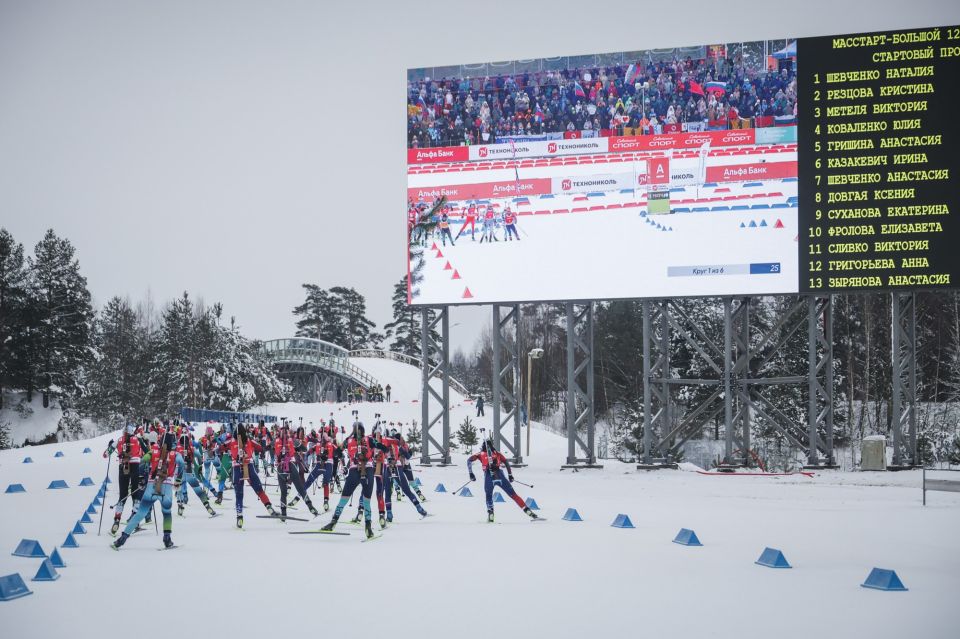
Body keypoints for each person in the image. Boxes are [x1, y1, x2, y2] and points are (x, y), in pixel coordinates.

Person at [320, 422, 392, 539]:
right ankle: (333, 522)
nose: (358, 432)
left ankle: (368, 527)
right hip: (354, 469)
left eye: (360, 430)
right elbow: (337, 451)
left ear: (363, 430)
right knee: (344, 498)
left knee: (367, 500)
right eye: (356, 429)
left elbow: (381, 446)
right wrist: (332, 455)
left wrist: (387, 454)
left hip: (367, 469)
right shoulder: (348, 440)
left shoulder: (368, 439)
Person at [112, 432, 183, 550]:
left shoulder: (153, 451)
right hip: (166, 487)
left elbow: (143, 460)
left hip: (151, 485)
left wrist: (141, 477)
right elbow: (181, 464)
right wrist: (178, 480)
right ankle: (167, 539)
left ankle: (122, 539)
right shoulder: (176, 454)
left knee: (140, 514)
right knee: (166, 513)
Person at [467, 438, 538, 523]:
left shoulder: (480, 454)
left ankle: (491, 515)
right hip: (500, 475)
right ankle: (529, 511)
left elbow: (469, 460)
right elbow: (506, 462)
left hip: (489, 476)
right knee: (513, 495)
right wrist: (510, 475)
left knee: (489, 496)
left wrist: (471, 473)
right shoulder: (497, 453)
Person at [230, 423, 277, 528]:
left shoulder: (232, 441)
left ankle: (239, 517)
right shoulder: (249, 440)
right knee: (259, 490)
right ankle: (269, 507)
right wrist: (264, 448)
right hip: (249, 466)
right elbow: (260, 448)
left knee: (239, 494)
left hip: (237, 468)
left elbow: (220, 448)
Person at [105, 423, 146, 535]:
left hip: (123, 466)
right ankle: (135, 521)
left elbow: (105, 455)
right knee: (135, 493)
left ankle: (117, 520)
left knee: (122, 495)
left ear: (124, 432)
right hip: (135, 466)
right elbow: (147, 452)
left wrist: (110, 447)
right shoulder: (137, 439)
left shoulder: (119, 440)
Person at [175, 429, 217, 517]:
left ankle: (180, 507)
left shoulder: (176, 449)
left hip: (179, 473)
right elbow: (200, 457)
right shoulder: (191, 448)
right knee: (198, 491)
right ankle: (207, 506)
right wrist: (200, 465)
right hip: (189, 472)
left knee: (179, 491)